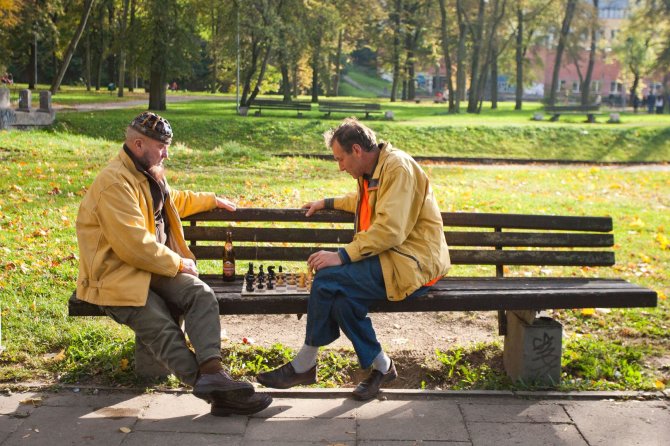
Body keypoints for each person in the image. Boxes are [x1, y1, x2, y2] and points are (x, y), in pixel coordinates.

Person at [75, 111, 271, 416]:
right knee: (162, 328)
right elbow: (132, 244)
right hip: (116, 275)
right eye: (161, 146)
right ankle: (221, 395)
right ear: (138, 144)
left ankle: (214, 372)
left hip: (149, 267)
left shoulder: (145, 172)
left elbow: (169, 199)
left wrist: (210, 199)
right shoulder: (114, 183)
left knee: (200, 294)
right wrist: (177, 261)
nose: (166, 152)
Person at [256, 118, 451, 400]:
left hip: (413, 265)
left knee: (327, 278)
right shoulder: (374, 170)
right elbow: (363, 201)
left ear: (357, 150)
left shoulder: (398, 168)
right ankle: (382, 366)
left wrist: (342, 256)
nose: (340, 166)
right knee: (341, 300)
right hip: (392, 259)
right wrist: (327, 202)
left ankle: (305, 363)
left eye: (340, 159)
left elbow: (390, 230)